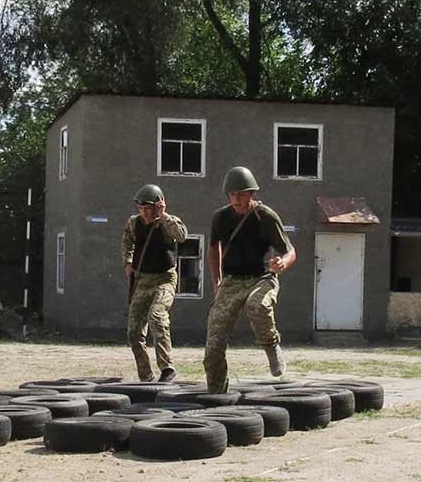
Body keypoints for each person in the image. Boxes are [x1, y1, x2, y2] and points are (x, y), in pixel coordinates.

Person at [203, 166, 297, 394]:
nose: (236, 199)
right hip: (232, 281)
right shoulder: (221, 218)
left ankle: (271, 346)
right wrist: (217, 282)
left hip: (262, 278)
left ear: (251, 193)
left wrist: (283, 263)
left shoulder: (264, 216)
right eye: (232, 194)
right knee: (214, 344)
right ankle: (216, 393)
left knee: (257, 305)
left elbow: (290, 251)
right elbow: (213, 250)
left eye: (241, 194)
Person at [122, 184, 188, 382]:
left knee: (157, 316)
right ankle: (146, 376)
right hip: (142, 279)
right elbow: (127, 240)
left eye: (148, 207)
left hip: (165, 279)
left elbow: (182, 235)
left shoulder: (167, 223)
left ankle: (167, 368)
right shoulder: (134, 223)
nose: (144, 212)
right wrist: (128, 262)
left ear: (158, 205)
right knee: (134, 331)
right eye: (141, 207)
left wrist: (164, 216)